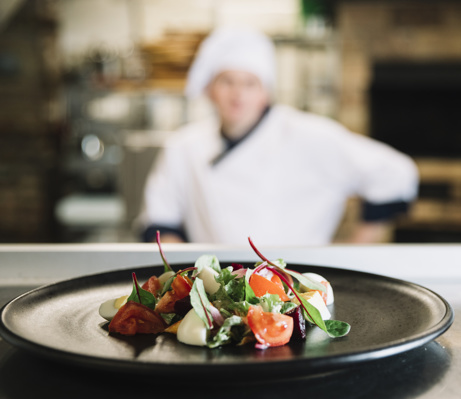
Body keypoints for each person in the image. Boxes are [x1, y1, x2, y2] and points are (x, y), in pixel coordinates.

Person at [138, 27, 418, 245]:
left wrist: (354, 254)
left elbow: (395, 174)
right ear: (210, 89)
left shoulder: (311, 135)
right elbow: (161, 222)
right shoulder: (182, 147)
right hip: (213, 296)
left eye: (250, 83)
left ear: (266, 92)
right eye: (227, 81)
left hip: (298, 290)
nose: (238, 94)